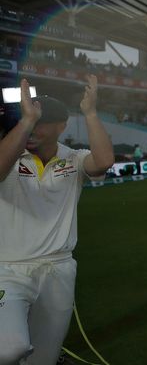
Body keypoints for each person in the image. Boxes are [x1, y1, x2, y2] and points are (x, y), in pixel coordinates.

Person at [0, 76, 114, 365]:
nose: (33, 128)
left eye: (41, 122)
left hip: (59, 270)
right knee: (9, 349)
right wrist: (26, 121)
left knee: (43, 360)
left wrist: (89, 113)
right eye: (29, 121)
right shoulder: (11, 154)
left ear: (62, 126)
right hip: (9, 269)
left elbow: (103, 162)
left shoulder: (74, 159)